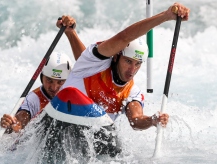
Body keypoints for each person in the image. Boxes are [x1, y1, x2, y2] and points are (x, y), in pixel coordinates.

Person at [60, 3, 190, 130]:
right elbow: (124, 37)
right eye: (128, 61)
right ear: (116, 56)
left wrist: (152, 120)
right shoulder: (95, 61)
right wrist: (165, 16)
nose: (132, 70)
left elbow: (136, 120)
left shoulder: (132, 92)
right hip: (63, 110)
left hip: (97, 139)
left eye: (138, 63)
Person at [0, 16, 85, 133]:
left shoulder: (77, 91)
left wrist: (71, 33)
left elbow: (87, 63)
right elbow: (21, 119)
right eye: (49, 80)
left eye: (60, 82)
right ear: (42, 77)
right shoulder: (33, 99)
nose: (54, 88)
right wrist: (13, 125)